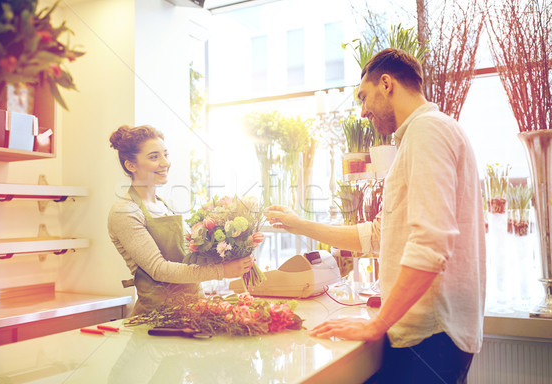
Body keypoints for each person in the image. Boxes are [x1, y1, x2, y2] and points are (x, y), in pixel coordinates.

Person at [265, 48, 485, 383]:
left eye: (363, 97)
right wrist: (299, 224)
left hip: (431, 338)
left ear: (386, 84)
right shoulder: (419, 135)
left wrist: (376, 324)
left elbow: (431, 242)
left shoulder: (428, 131)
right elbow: (379, 234)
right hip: (425, 335)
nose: (363, 111)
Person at [108, 125, 253, 316]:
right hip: (157, 320)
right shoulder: (125, 211)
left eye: (165, 154)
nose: (165, 162)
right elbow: (159, 269)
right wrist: (221, 271)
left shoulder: (167, 205)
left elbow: (186, 260)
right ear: (131, 165)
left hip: (193, 311)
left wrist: (228, 250)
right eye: (154, 157)